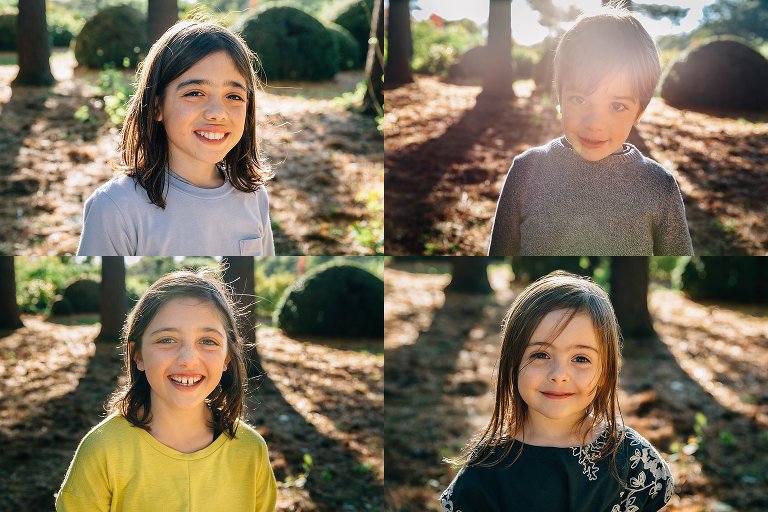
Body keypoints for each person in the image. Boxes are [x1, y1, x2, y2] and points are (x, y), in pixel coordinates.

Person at [440, 271, 674, 511]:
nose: (559, 373)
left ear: (605, 372)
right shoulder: (486, 466)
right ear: (513, 362)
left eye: (581, 358)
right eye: (540, 354)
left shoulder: (631, 458)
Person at [56, 268, 277, 511]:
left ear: (227, 358)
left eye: (208, 341)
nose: (188, 359)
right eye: (167, 340)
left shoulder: (251, 450)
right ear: (137, 355)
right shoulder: (102, 450)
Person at [488, 7, 693, 256]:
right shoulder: (525, 171)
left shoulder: (660, 185)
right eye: (579, 100)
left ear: (639, 113)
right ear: (560, 99)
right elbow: (500, 252)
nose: (595, 123)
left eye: (617, 106)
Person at [77, 19, 275, 256]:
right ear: (157, 105)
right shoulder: (114, 208)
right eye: (194, 93)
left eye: (233, 96)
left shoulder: (254, 196)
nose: (217, 113)